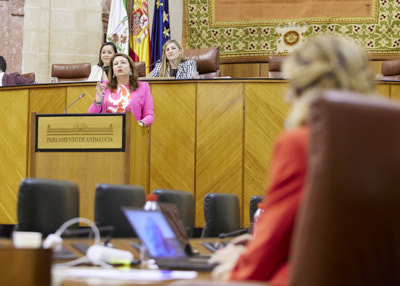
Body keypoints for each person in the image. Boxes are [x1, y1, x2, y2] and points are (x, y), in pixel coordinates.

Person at [208, 35, 375, 285]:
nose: (287, 97)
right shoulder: (382, 143)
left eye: (292, 85)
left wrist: (237, 263)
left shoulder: (301, 143)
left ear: (302, 89)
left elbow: (270, 245)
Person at [88, 53, 154, 126]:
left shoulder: (143, 86)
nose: (119, 65)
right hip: (109, 131)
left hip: (132, 131)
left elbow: (149, 115)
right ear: (113, 70)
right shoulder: (105, 85)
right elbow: (91, 115)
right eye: (116, 64)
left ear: (130, 68)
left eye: (123, 63)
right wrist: (98, 99)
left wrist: (140, 124)